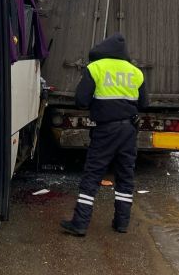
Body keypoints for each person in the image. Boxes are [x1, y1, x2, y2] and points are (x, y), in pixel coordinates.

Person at [60, 33, 148, 236]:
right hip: (128, 131)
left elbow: (81, 100)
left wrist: (99, 105)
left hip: (106, 130)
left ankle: (80, 224)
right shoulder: (135, 72)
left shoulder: (96, 68)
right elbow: (144, 103)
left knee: (92, 175)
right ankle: (121, 223)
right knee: (125, 177)